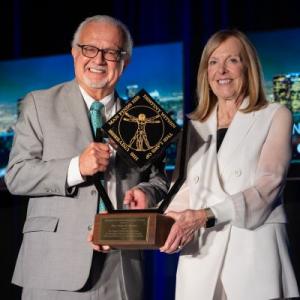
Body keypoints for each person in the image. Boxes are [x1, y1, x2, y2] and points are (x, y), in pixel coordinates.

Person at [5, 15, 169, 300]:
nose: (99, 59)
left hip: (120, 268)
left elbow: (158, 181)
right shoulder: (38, 104)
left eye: (112, 52)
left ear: (125, 60)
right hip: (52, 265)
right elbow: (17, 176)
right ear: (74, 51)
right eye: (89, 49)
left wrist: (146, 192)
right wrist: (75, 168)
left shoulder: (145, 117)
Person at [160, 29, 299, 300]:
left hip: (253, 254)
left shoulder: (275, 115)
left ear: (248, 66)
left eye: (232, 60)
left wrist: (204, 216)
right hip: (201, 256)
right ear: (205, 72)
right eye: (213, 62)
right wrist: (159, 218)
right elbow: (186, 191)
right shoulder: (195, 126)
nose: (221, 70)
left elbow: (268, 186)